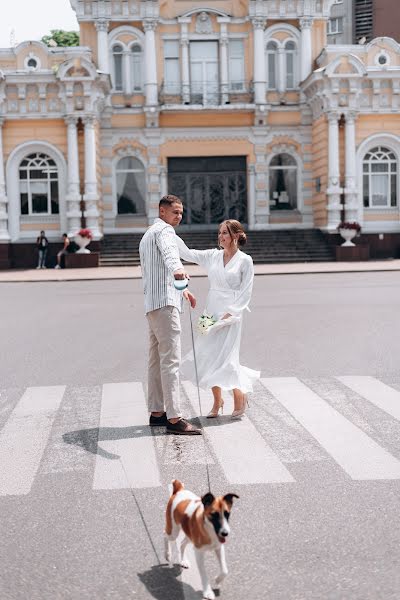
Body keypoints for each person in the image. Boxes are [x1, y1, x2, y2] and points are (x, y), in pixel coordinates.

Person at [176, 219, 260, 418]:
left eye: (225, 233)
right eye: (220, 232)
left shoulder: (245, 260)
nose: (221, 236)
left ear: (236, 236)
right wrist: (170, 235)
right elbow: (188, 253)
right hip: (210, 310)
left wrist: (231, 312)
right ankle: (217, 401)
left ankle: (240, 397)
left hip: (231, 313)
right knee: (206, 355)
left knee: (226, 359)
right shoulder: (213, 256)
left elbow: (246, 290)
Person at [139, 194, 201, 435]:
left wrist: (184, 290)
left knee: (156, 360)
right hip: (165, 305)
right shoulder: (164, 232)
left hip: (153, 303)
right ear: (162, 211)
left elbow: (160, 268)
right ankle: (174, 418)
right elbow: (171, 256)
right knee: (171, 361)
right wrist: (179, 271)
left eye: (181, 213)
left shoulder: (147, 235)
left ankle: (157, 412)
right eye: (175, 211)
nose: (179, 216)